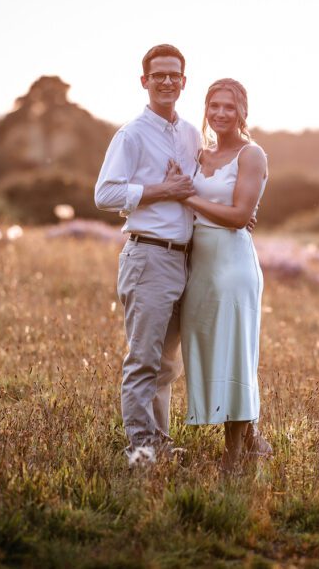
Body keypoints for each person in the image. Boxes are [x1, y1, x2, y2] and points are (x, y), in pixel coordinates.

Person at [94, 44, 200, 456]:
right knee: (144, 359)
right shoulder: (131, 135)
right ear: (145, 81)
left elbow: (195, 188)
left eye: (174, 75)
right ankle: (140, 447)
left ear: (184, 82)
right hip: (149, 255)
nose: (167, 82)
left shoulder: (191, 134)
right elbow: (105, 193)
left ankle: (160, 441)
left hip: (186, 259)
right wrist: (162, 190)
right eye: (159, 75)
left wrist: (238, 212)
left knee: (168, 364)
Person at [177, 78, 272, 471]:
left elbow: (237, 216)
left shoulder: (251, 155)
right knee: (208, 351)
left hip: (233, 268)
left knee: (235, 356)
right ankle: (252, 439)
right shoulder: (200, 155)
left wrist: (187, 196)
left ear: (242, 112)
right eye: (213, 105)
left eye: (228, 107)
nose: (219, 113)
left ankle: (232, 462)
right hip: (199, 267)